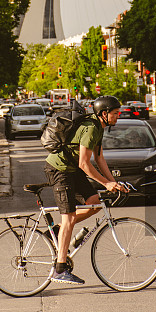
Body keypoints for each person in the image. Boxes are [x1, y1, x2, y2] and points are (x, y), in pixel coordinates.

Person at [44, 95, 128, 286]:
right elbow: (84, 163)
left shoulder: (98, 127)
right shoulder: (90, 128)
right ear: (104, 114)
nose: (118, 116)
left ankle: (56, 231)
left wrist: (114, 183)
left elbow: (99, 160)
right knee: (70, 217)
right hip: (60, 170)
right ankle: (60, 269)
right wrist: (106, 183)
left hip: (72, 170)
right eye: (115, 113)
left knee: (94, 203)